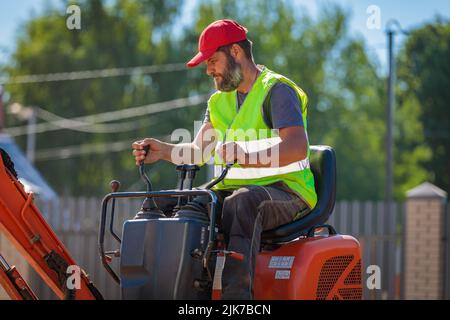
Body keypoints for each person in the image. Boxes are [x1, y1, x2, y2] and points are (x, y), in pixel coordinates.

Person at [132, 19, 317, 300]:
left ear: (235, 52)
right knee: (166, 201)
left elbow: (297, 147)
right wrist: (164, 150)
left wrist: (246, 155)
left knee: (241, 204)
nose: (209, 70)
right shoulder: (219, 101)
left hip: (287, 191)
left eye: (213, 61)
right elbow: (199, 152)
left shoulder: (277, 90)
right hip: (234, 194)